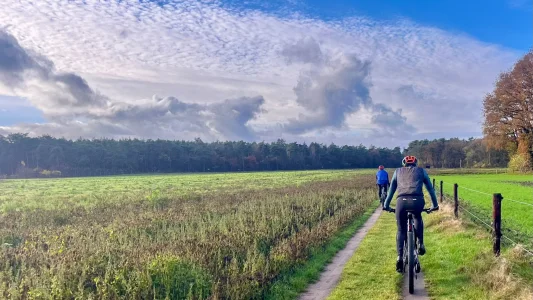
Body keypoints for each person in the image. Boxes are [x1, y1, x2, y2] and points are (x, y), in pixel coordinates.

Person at [383, 155, 439, 273]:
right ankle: (421, 244)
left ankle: (399, 257)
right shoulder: (421, 171)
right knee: (417, 217)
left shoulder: (397, 172)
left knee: (401, 230)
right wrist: (435, 205)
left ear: (404, 164)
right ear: (415, 164)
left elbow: (391, 191)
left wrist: (386, 205)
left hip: (401, 202)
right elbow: (430, 189)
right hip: (417, 201)